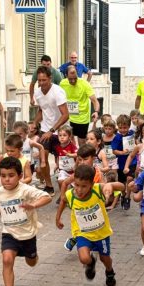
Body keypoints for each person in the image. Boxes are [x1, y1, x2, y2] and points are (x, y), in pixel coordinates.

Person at [0, 157, 52, 286]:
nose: (7, 179)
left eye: (11, 175)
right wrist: (0, 213)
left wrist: (33, 205)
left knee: (31, 262)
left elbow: (47, 197)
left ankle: (33, 254)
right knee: (7, 259)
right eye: (3, 175)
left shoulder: (25, 190)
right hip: (9, 233)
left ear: (19, 176)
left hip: (27, 235)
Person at [55, 164, 122, 286]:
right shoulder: (71, 195)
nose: (79, 190)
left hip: (101, 234)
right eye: (77, 185)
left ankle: (109, 271)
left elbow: (121, 187)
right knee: (84, 258)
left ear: (91, 184)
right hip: (83, 233)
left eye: (84, 186)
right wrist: (57, 218)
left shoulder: (97, 190)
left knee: (105, 258)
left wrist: (110, 185)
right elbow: (63, 200)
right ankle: (91, 263)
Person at [33, 66, 70, 196]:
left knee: (62, 163)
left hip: (60, 130)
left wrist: (52, 130)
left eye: (44, 80)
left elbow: (65, 115)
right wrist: (34, 122)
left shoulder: (58, 92)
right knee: (43, 161)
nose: (41, 83)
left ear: (50, 78)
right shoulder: (37, 93)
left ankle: (66, 189)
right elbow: (41, 110)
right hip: (44, 129)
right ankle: (49, 186)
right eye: (39, 80)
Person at [59, 65, 100, 146]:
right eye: (70, 79)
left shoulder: (84, 84)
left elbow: (95, 101)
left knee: (82, 143)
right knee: (69, 141)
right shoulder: (62, 83)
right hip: (68, 118)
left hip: (82, 119)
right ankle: (75, 157)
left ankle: (81, 156)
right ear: (66, 76)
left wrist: (96, 111)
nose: (73, 80)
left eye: (75, 78)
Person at [112, 114, 137, 210]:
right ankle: (123, 194)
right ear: (117, 127)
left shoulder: (131, 133)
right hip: (121, 163)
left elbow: (134, 142)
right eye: (120, 128)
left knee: (130, 178)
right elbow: (114, 151)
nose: (123, 130)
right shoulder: (117, 137)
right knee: (122, 182)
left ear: (129, 126)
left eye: (125, 127)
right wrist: (122, 152)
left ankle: (127, 197)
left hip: (132, 161)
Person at [55, 126, 78, 199]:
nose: (62, 137)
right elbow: (59, 157)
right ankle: (63, 195)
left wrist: (70, 155)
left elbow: (78, 154)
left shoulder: (72, 146)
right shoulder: (58, 147)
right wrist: (57, 165)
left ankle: (72, 195)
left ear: (69, 136)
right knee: (60, 181)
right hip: (63, 169)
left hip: (73, 170)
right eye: (60, 135)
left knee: (76, 187)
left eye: (64, 135)